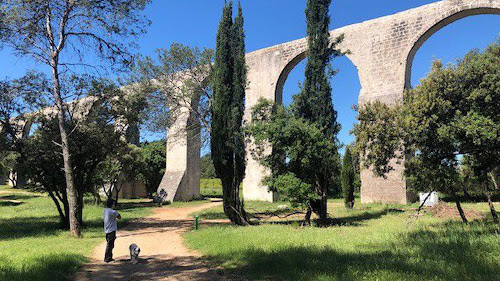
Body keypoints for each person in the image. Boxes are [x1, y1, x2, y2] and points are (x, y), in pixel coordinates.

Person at [103, 198, 121, 263]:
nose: (114, 205)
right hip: (112, 230)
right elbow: (119, 217)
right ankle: (107, 258)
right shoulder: (112, 211)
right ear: (112, 204)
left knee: (110, 244)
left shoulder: (105, 210)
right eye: (114, 204)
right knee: (110, 245)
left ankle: (110, 257)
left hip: (107, 230)